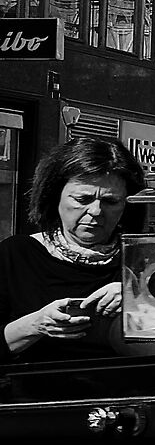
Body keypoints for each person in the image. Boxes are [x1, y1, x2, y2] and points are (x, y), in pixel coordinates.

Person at [2, 136, 144, 361]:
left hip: (131, 390)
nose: (96, 211)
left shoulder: (145, 259)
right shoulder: (16, 255)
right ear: (55, 196)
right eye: (83, 199)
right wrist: (36, 325)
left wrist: (140, 297)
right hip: (38, 393)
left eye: (110, 201)